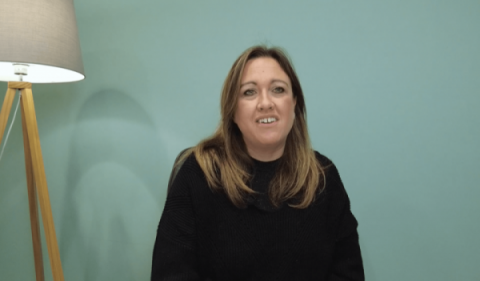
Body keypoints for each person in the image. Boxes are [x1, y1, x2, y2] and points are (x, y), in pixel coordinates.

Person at [151, 45, 364, 280]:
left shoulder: (323, 177)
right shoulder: (198, 173)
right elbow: (170, 274)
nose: (265, 103)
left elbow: (348, 273)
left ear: (294, 103)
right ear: (232, 110)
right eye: (249, 92)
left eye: (278, 90)